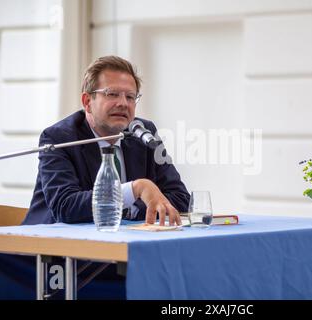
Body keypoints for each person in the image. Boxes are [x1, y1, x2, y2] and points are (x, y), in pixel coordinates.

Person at [23, 55, 190, 226]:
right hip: (50, 246)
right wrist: (133, 190)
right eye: (112, 94)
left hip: (122, 243)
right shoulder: (59, 137)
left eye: (130, 97)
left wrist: (129, 208)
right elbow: (65, 206)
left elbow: (181, 198)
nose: (123, 103)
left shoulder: (143, 133)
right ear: (87, 101)